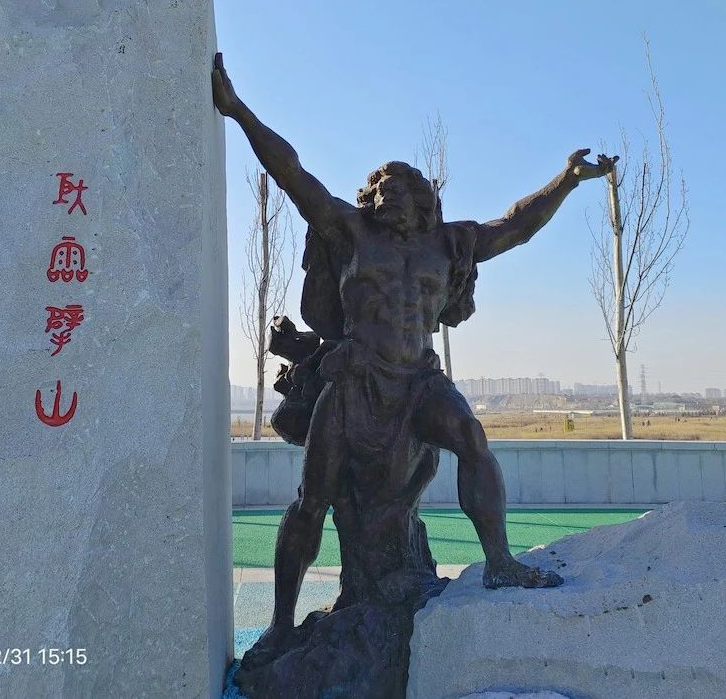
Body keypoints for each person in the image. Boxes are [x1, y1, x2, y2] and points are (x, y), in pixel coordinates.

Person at [212, 53, 616, 648]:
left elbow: (517, 225)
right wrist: (237, 109)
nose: (387, 195)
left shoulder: (450, 243)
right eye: (379, 188)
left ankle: (500, 560)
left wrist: (567, 179)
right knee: (311, 501)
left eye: (399, 188)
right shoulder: (349, 231)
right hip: (355, 383)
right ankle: (279, 624)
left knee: (471, 439)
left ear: (423, 199)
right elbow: (292, 171)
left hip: (419, 381)